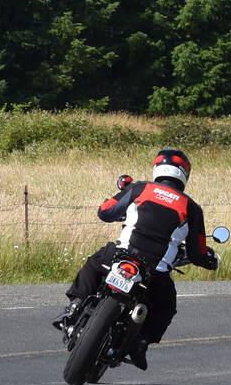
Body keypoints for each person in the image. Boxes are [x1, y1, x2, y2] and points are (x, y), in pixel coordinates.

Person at [58, 147, 217, 370]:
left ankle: (75, 305)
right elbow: (197, 252)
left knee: (93, 264)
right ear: (184, 174)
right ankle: (141, 343)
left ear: (157, 168)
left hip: (120, 255)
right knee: (166, 306)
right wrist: (209, 259)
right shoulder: (192, 208)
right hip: (156, 273)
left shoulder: (140, 188)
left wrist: (122, 203)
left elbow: (105, 212)